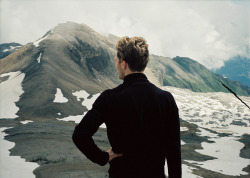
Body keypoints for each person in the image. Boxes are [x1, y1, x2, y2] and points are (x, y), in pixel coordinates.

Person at [72, 36, 182, 178]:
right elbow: (174, 153)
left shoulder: (109, 98)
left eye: (116, 61)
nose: (116, 65)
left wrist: (103, 157)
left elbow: (80, 135)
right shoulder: (166, 99)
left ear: (123, 63)